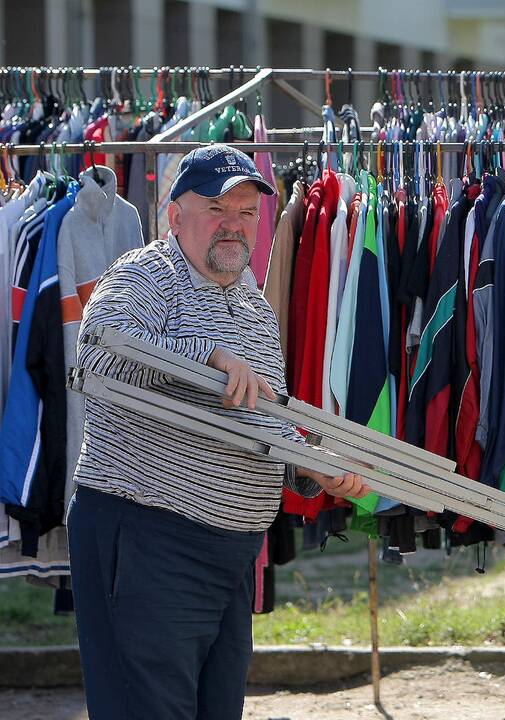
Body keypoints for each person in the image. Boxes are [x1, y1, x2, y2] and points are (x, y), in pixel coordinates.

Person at [66, 144, 372, 720]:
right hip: (148, 537)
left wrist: (307, 465)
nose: (234, 225)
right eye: (216, 208)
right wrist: (204, 357)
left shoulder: (252, 305)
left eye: (247, 213)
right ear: (175, 215)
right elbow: (99, 352)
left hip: (229, 553)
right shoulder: (146, 276)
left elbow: (257, 421)